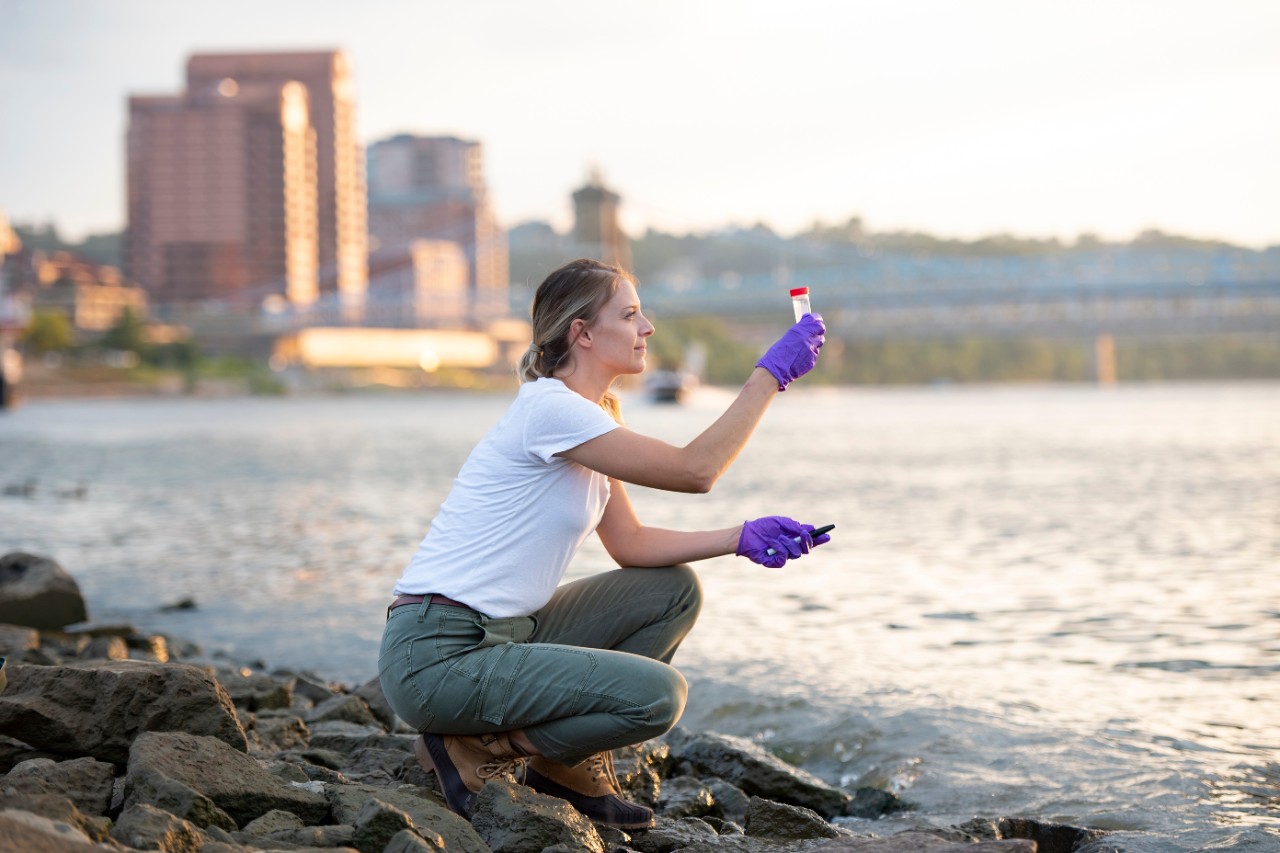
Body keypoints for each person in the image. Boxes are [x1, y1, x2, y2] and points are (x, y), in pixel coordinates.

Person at [378, 258, 830, 829]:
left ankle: (562, 764)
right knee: (659, 697)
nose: (648, 328)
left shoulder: (588, 417)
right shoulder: (551, 410)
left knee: (672, 591)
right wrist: (770, 375)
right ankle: (476, 749)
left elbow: (631, 544)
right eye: (632, 314)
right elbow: (696, 470)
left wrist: (738, 538)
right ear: (582, 333)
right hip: (439, 656)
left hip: (503, 635)